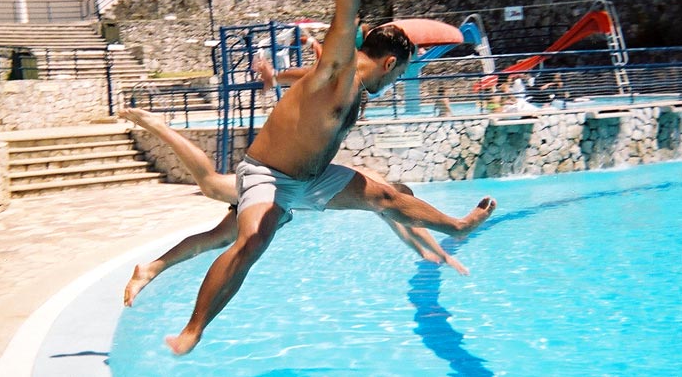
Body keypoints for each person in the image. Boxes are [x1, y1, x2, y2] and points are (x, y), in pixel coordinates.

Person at [165, 0, 496, 355]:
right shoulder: (340, 71)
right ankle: (193, 328)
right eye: (399, 75)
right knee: (252, 241)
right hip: (268, 175)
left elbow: (303, 75)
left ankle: (456, 226)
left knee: (386, 196)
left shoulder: (346, 84)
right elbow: (344, 17)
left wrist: (276, 78)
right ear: (389, 63)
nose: (395, 84)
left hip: (315, 177)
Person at [120, 107, 470, 307]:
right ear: (401, 197)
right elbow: (408, 224)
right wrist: (440, 250)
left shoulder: (383, 197)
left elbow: (405, 228)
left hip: (280, 199)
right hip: (275, 190)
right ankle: (160, 127)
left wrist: (435, 253)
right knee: (211, 188)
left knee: (216, 233)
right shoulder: (378, 189)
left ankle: (149, 269)